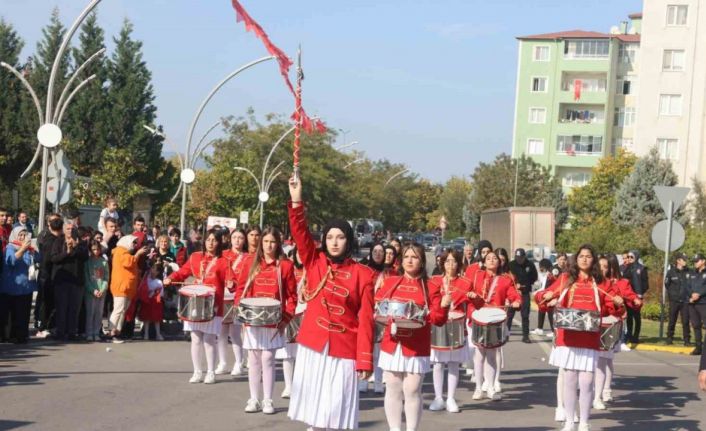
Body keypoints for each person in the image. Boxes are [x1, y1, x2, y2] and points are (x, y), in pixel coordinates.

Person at [287, 175, 376, 431]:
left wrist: (365, 360)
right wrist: (296, 200)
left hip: (345, 350)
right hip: (313, 345)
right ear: (324, 240)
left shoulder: (363, 274)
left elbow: (366, 320)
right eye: (330, 237)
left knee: (337, 410)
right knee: (314, 411)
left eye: (340, 237)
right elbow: (300, 233)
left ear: (349, 240)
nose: (334, 242)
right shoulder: (314, 262)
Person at [535, 244, 625, 431]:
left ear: (593, 260)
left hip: (589, 338)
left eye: (588, 256)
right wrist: (547, 294)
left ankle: (584, 422)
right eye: (581, 256)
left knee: (586, 382)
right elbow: (542, 299)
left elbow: (612, 306)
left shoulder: (601, 282)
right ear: (576, 259)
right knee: (569, 380)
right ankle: (569, 421)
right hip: (568, 337)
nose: (584, 259)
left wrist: (618, 303)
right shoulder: (566, 279)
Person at [376, 242, 450, 431]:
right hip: (393, 343)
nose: (410, 260)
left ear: (422, 261)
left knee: (412, 389)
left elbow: (438, 320)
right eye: (407, 256)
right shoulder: (391, 282)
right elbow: (377, 308)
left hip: (417, 344)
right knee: (392, 387)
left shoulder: (430, 286)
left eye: (415, 257)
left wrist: (444, 304)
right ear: (401, 260)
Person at [234, 227, 296, 414]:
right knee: (253, 360)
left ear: (278, 244)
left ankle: (268, 400)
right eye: (266, 241)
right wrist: (241, 309)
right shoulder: (250, 262)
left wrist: (285, 319)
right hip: (253, 320)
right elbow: (241, 290)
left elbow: (292, 297)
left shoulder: (284, 266)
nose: (269, 245)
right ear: (261, 242)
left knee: (268, 359)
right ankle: (254, 398)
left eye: (273, 242)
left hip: (273, 321)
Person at [164, 229, 231, 384]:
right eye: (208, 240)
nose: (211, 243)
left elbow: (231, 279)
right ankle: (197, 371)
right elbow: (183, 272)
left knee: (209, 339)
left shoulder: (223, 261)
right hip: (194, 302)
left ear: (219, 242)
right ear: (204, 241)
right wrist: (170, 278)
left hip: (213, 304)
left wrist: (231, 283)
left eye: (214, 240)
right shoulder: (195, 257)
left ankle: (211, 372)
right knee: (195, 338)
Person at [466, 250, 520, 401]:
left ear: (499, 262)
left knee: (491, 354)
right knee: (479, 354)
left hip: (495, 319)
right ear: (483, 261)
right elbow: (467, 291)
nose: (491, 260)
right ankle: (478, 387)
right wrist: (470, 296)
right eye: (488, 258)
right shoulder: (476, 276)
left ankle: (490, 387)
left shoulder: (505, 280)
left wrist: (516, 301)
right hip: (478, 317)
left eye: (494, 258)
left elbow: (513, 294)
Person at [594, 253, 641, 410]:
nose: (604, 269)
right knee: (595, 360)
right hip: (594, 322)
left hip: (612, 322)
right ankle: (596, 390)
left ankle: (604, 391)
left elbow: (629, 295)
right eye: (601, 266)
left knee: (606, 359)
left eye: (607, 266)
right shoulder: (593, 281)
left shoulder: (621, 282)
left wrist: (634, 300)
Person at [428, 249, 471, 413]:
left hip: (457, 324)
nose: (450, 264)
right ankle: (438, 397)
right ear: (442, 263)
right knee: (438, 364)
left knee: (454, 364)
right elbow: (431, 302)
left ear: (459, 264)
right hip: (440, 324)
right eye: (447, 261)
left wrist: (473, 297)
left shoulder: (465, 283)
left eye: (454, 261)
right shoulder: (435, 281)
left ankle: (451, 397)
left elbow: (475, 302)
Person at [50, 222, 88, 341]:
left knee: (74, 308)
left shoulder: (81, 243)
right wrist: (66, 252)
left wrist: (75, 246)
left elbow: (85, 257)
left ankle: (72, 332)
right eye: (68, 228)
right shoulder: (58, 241)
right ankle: (60, 332)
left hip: (76, 280)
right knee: (61, 307)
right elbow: (54, 258)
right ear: (63, 229)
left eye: (72, 229)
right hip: (62, 280)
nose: (70, 231)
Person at [0, 226, 39, 343]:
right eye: (20, 235)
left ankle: (22, 336)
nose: (22, 237)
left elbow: (39, 259)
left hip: (26, 287)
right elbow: (11, 260)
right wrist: (22, 248)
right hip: (12, 286)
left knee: (23, 314)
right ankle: (10, 335)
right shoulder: (10, 247)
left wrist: (33, 250)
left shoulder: (29, 248)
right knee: (12, 314)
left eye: (24, 235)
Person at [276, 248, 306, 398]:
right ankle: (288, 386)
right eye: (298, 253)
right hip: (290, 313)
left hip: (306, 314)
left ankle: (301, 386)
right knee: (287, 352)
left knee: (303, 354)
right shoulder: (288, 269)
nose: (301, 256)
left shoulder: (312, 270)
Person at [109, 234, 147, 343]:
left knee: (123, 310)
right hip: (121, 287)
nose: (135, 245)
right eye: (133, 242)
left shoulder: (125, 253)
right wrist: (138, 254)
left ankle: (117, 332)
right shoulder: (120, 251)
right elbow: (128, 262)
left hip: (127, 287)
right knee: (118, 310)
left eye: (136, 243)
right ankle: (112, 332)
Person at [220, 228, 247, 376]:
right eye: (234, 237)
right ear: (230, 239)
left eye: (240, 237)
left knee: (235, 332)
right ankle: (223, 362)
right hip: (223, 296)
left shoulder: (248, 257)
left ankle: (239, 362)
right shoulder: (223, 255)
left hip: (238, 297)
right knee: (222, 332)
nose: (237, 240)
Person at [35, 214, 63, 337]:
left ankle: (50, 326)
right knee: (44, 302)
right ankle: (41, 327)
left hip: (53, 275)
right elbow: (46, 260)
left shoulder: (57, 239)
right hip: (46, 275)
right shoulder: (47, 239)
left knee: (51, 302)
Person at [508, 248, 537, 344]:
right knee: (509, 315)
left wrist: (526, 284)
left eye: (521, 257)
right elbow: (507, 278)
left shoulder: (530, 265)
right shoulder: (511, 265)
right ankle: (506, 334)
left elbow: (534, 277)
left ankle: (525, 336)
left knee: (525, 315)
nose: (519, 259)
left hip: (524, 293)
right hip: (513, 293)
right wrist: (515, 285)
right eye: (517, 257)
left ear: (524, 257)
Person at [84, 240, 109, 341]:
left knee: (99, 313)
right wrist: (92, 290)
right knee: (90, 312)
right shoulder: (87, 262)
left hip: (101, 290)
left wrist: (103, 289)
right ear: (90, 250)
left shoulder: (103, 262)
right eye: (93, 249)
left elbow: (106, 277)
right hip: (91, 292)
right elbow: (86, 278)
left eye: (97, 249)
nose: (96, 251)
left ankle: (96, 332)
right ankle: (89, 333)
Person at [665, 252, 691, 346]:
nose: (685, 261)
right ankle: (669, 338)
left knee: (685, 321)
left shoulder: (689, 271)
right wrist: (672, 295)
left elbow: (691, 285)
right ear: (678, 261)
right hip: (674, 301)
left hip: (685, 300)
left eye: (685, 259)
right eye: (683, 259)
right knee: (672, 320)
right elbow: (667, 284)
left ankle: (687, 340)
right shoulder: (671, 272)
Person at [623, 250, 648, 344]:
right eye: (628, 257)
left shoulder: (642, 268)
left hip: (637, 296)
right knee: (629, 317)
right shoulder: (626, 268)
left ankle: (636, 336)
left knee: (636, 317)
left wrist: (640, 293)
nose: (629, 259)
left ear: (636, 257)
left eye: (631, 257)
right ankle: (629, 335)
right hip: (628, 296)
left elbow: (646, 284)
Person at [138, 260, 164, 341]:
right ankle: (146, 334)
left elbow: (161, 293)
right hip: (147, 301)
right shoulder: (146, 279)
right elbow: (144, 287)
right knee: (146, 319)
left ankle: (158, 334)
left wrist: (155, 291)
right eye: (152, 269)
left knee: (156, 319)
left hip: (155, 302)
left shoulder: (159, 282)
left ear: (158, 273)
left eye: (155, 270)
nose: (153, 271)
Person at [688, 253, 706, 356]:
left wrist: (699, 294)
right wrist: (691, 295)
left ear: (703, 261)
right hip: (693, 303)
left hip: (703, 303)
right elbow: (688, 286)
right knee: (696, 325)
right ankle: (698, 347)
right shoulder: (692, 273)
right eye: (694, 261)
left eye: (697, 261)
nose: (695, 263)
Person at [533, 258, 555, 337]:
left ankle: (553, 331)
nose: (540, 269)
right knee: (542, 310)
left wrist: (536, 293)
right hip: (548, 295)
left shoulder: (549, 275)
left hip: (550, 296)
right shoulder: (548, 274)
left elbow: (544, 288)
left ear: (544, 267)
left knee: (550, 313)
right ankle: (540, 328)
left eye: (541, 267)